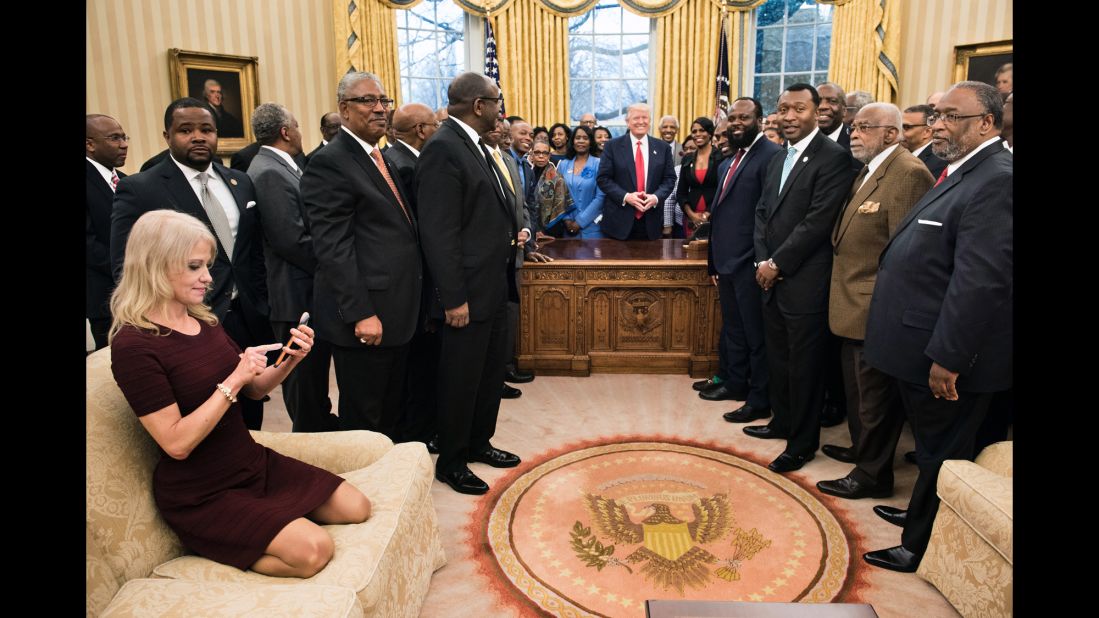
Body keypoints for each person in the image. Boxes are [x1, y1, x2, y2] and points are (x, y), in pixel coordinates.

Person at [109, 209, 371, 577]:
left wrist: (291, 359)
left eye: (207, 265)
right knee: (314, 552)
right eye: (194, 266)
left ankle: (265, 523)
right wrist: (233, 379)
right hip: (201, 491)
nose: (207, 278)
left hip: (249, 463)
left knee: (357, 507)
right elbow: (176, 443)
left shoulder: (203, 320)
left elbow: (255, 390)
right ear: (155, 265)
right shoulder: (135, 346)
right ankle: (217, 541)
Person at [862, 81, 1012, 573]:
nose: (938, 124)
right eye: (936, 114)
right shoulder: (961, 169)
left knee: (941, 452)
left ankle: (919, 545)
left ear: (987, 123)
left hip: (945, 356)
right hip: (917, 341)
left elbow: (980, 281)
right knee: (930, 447)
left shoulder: (998, 178)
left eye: (952, 116)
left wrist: (948, 356)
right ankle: (919, 513)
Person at [112, 97, 274, 430]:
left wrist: (262, 299)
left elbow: (252, 252)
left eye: (206, 129)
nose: (198, 137)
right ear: (167, 135)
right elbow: (126, 265)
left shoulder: (239, 182)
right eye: (186, 130)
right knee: (201, 415)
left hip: (247, 315)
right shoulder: (142, 188)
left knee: (251, 408)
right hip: (185, 323)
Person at [813, 103, 934, 500]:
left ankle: (872, 474)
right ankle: (863, 450)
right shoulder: (868, 170)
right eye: (854, 126)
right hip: (850, 304)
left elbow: (905, 255)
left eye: (864, 127)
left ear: (891, 133)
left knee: (874, 400)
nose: (854, 132)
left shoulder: (908, 174)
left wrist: (885, 308)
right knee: (860, 395)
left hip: (874, 309)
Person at [299, 71, 422, 440]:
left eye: (384, 101)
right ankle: (363, 490)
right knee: (365, 417)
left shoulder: (378, 156)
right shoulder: (330, 162)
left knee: (391, 410)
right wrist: (362, 313)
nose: (380, 109)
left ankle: (392, 485)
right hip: (366, 316)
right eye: (368, 101)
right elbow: (333, 249)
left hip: (398, 310)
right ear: (344, 110)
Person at [417, 72, 521, 495]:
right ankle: (453, 460)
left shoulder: (476, 145)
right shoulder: (443, 148)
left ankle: (479, 442)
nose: (501, 110)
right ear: (479, 105)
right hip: (466, 294)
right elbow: (439, 234)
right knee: (461, 378)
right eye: (497, 101)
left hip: (493, 287)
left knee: (489, 372)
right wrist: (453, 298)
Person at [745, 83, 857, 473]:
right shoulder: (777, 157)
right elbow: (762, 213)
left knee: (805, 367)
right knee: (778, 359)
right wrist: (763, 260)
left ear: (816, 111)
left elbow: (817, 222)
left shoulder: (834, 158)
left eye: (798, 109)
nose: (789, 117)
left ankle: (802, 443)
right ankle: (783, 421)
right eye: (783, 109)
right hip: (770, 277)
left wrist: (776, 264)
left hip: (804, 281)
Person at [246, 103, 337, 433]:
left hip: (303, 287)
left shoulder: (281, 165)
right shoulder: (269, 170)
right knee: (300, 376)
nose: (300, 132)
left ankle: (320, 422)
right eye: (297, 126)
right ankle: (310, 435)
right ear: (286, 132)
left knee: (312, 374)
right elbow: (291, 239)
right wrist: (332, 264)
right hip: (293, 291)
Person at [705, 97, 782, 419]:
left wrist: (760, 260)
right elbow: (720, 216)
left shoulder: (772, 156)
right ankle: (735, 383)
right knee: (734, 329)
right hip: (726, 261)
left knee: (756, 336)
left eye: (744, 118)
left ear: (760, 120)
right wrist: (714, 260)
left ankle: (759, 398)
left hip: (751, 263)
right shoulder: (728, 160)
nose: (736, 123)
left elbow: (770, 216)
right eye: (732, 118)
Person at [596, 103, 676, 240]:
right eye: (636, 118)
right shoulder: (612, 146)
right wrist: (626, 196)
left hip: (651, 222)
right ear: (627, 122)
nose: (641, 122)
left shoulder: (663, 148)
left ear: (650, 121)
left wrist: (656, 197)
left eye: (645, 117)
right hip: (618, 222)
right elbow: (603, 179)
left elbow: (669, 179)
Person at [87, 114, 129, 351]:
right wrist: (129, 270)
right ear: (90, 144)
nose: (124, 144)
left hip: (136, 295)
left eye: (124, 137)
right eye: (114, 138)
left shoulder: (123, 181)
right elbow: (89, 244)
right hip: (105, 296)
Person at [556, 124, 605, 238]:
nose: (581, 141)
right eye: (577, 138)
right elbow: (558, 195)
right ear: (572, 141)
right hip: (567, 229)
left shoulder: (599, 164)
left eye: (585, 138)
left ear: (591, 142)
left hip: (592, 228)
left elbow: (601, 197)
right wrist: (567, 220)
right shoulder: (563, 165)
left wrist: (580, 222)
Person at [676, 117, 720, 239]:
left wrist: (707, 214)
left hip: (715, 216)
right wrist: (692, 215)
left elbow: (722, 190)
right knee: (689, 253)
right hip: (691, 219)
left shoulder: (720, 157)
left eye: (702, 130)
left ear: (710, 133)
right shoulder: (687, 158)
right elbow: (681, 192)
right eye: (694, 131)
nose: (697, 134)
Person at [528, 139, 576, 237]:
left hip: (552, 230)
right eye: (537, 152)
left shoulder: (557, 179)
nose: (541, 156)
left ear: (549, 156)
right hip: (529, 228)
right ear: (531, 154)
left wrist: (543, 231)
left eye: (545, 153)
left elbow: (560, 207)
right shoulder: (526, 174)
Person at [901, 104, 948, 179]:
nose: (900, 133)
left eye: (906, 127)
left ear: (927, 132)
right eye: (899, 127)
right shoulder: (902, 156)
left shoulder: (938, 162)